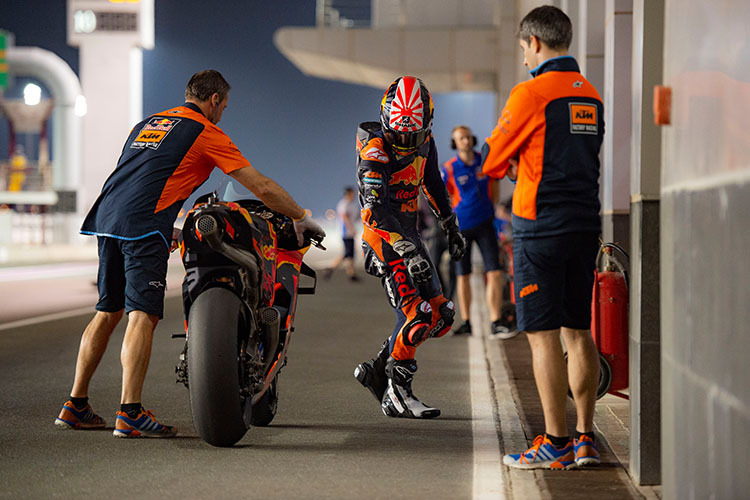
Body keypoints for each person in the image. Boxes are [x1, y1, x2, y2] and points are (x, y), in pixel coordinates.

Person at [54, 70, 325, 438]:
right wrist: (300, 217)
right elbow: (259, 185)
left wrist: (169, 228)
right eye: (224, 106)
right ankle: (130, 412)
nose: (222, 113)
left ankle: (76, 405)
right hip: (143, 224)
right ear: (214, 100)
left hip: (108, 216)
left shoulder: (148, 124)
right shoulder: (205, 131)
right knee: (142, 316)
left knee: (107, 312)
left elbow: (140, 176)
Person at [481, 6, 603, 469]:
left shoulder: (530, 93)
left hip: (540, 228)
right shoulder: (591, 95)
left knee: (542, 336)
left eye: (523, 48)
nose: (525, 56)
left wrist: (516, 164)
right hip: (585, 223)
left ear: (533, 42)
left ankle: (554, 442)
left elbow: (492, 160)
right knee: (579, 331)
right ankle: (586, 436)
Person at [353, 76, 466, 418]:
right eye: (397, 135)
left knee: (442, 315)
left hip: (410, 234)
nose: (404, 143)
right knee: (418, 315)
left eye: (412, 136)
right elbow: (376, 210)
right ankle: (397, 392)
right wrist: (407, 250)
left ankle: (376, 370)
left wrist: (450, 224)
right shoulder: (373, 149)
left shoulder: (427, 141)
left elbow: (432, 181)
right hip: (384, 240)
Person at [441, 125, 517, 340]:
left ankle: (495, 321)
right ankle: (466, 322)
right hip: (461, 227)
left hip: (485, 225)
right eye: (460, 138)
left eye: (467, 137)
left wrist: (490, 212)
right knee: (462, 275)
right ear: (454, 143)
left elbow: (493, 191)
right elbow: (443, 196)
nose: (465, 141)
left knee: (494, 272)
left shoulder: (484, 162)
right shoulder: (449, 168)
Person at [323, 186, 360, 281]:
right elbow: (345, 218)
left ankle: (351, 274)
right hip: (345, 232)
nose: (353, 195)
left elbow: (355, 217)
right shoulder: (344, 204)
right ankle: (331, 268)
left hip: (349, 232)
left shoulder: (352, 205)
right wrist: (351, 229)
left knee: (350, 254)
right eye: (351, 194)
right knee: (347, 253)